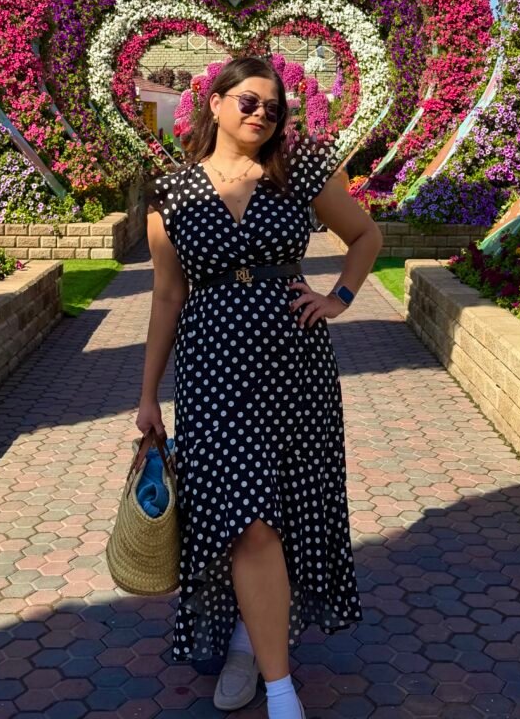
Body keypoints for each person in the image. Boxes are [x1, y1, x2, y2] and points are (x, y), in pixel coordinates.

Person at [136, 56, 383, 719]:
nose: (261, 114)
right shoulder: (173, 193)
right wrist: (146, 394)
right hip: (213, 369)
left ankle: (252, 641)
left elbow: (365, 235)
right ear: (214, 103)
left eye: (273, 107)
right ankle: (280, 688)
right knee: (243, 518)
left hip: (292, 368)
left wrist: (340, 298)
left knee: (277, 507)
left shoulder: (297, 173)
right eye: (248, 101)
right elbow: (166, 295)